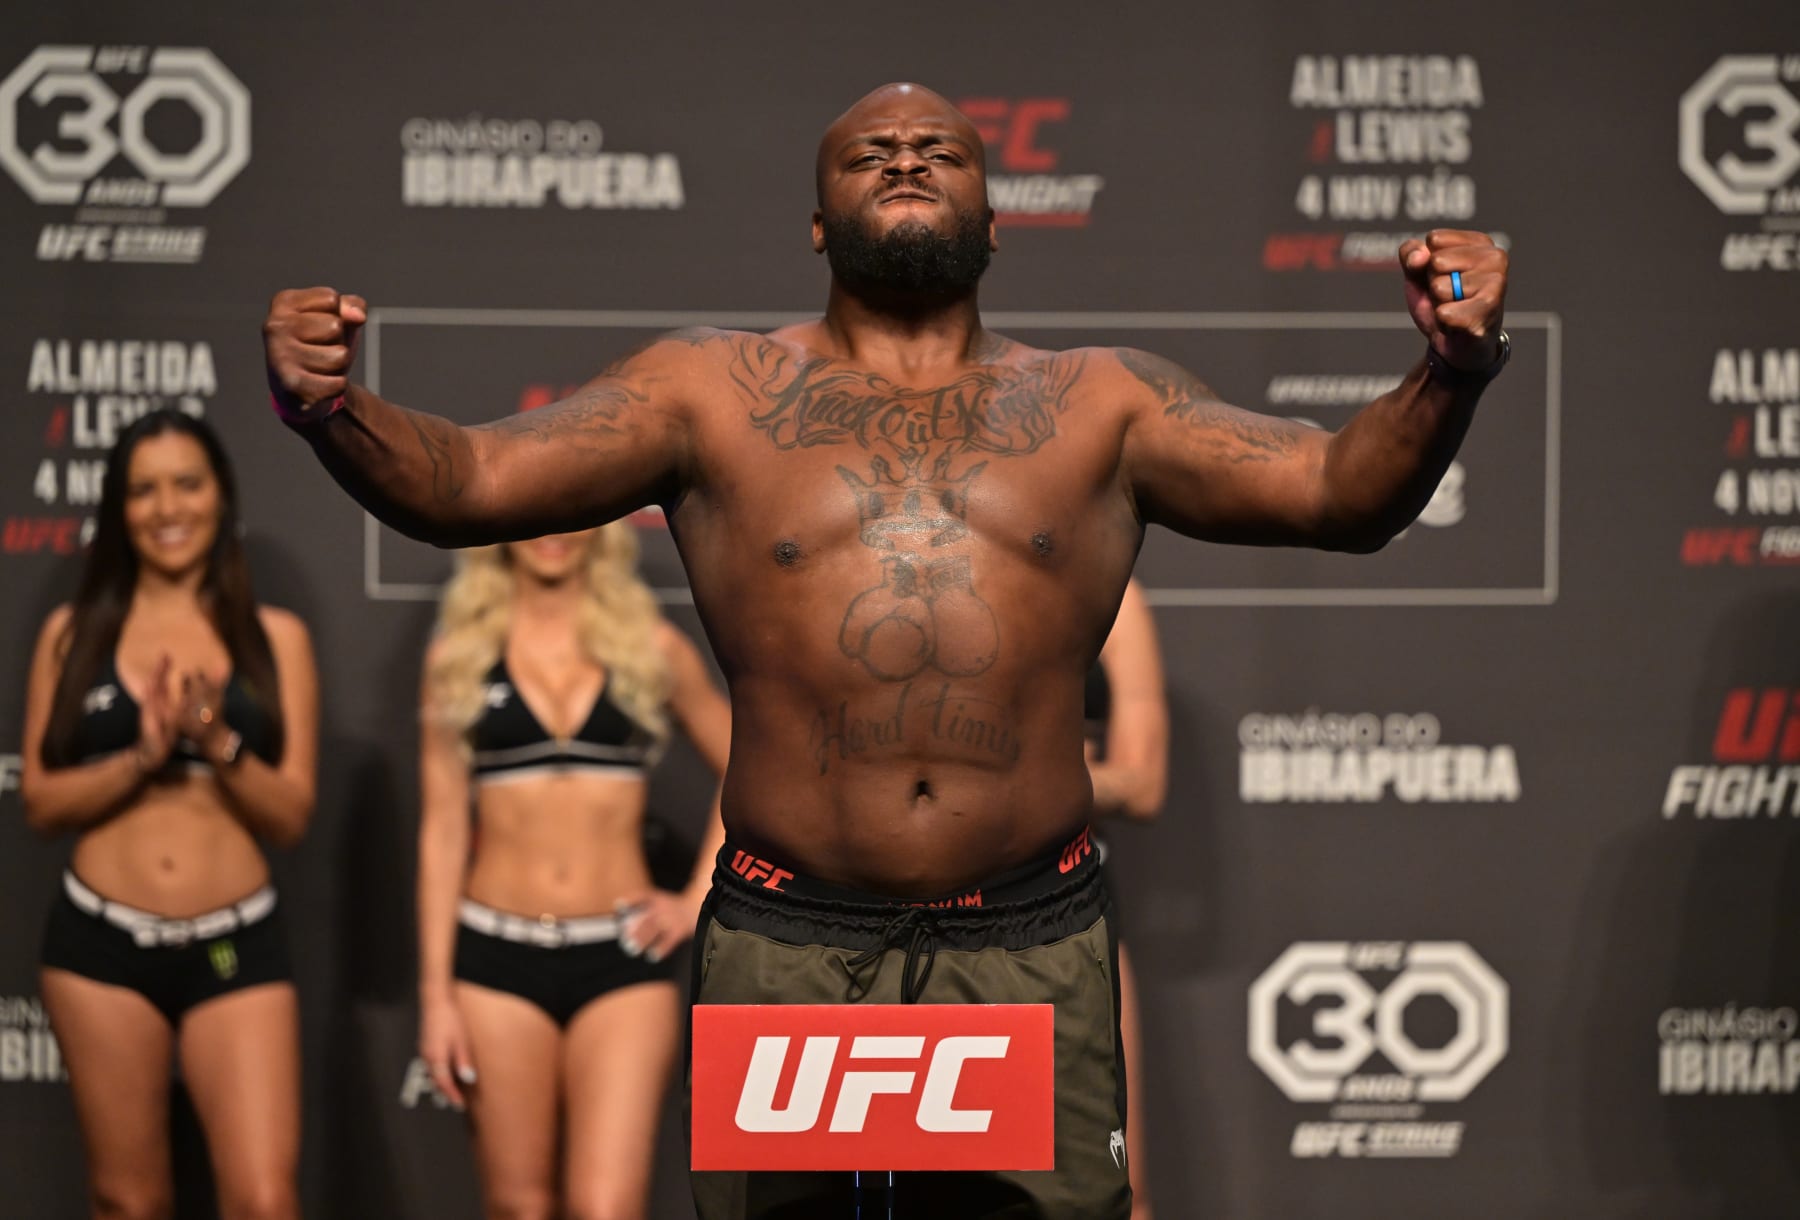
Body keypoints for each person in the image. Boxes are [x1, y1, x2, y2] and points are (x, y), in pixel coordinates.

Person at [261, 81, 1509, 1219]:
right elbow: (474, 477)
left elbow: (1340, 492)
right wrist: (331, 407)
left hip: (1026, 935)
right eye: (871, 151)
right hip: (791, 938)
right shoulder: (711, 390)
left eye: (940, 150)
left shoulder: (1101, 403)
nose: (906, 157)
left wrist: (1450, 370)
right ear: (818, 219)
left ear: (994, 212)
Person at [20, 408, 317, 1220]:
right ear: (118, 508)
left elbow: (291, 815)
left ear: (221, 496)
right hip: (99, 947)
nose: (168, 507)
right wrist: (143, 758)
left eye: (187, 483)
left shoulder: (274, 638)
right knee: (127, 1197)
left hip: (234, 946)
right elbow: (42, 803)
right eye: (143, 490)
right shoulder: (70, 634)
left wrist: (215, 742)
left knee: (263, 1197)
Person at [416, 524, 729, 1220]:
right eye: (533, 516)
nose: (552, 534)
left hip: (621, 961)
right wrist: (436, 997)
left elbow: (750, 762)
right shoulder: (458, 658)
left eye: (570, 512)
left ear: (603, 527)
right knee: (518, 1205)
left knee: (606, 1207)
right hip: (494, 959)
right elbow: (441, 832)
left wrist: (696, 898)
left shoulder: (649, 648)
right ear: (499, 529)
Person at [1084, 576, 1167, 1220]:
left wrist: (1012, 775)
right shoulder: (881, 570)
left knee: (1117, 1192)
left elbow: (1140, 782)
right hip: (894, 913)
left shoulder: (1108, 587)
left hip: (1062, 912)